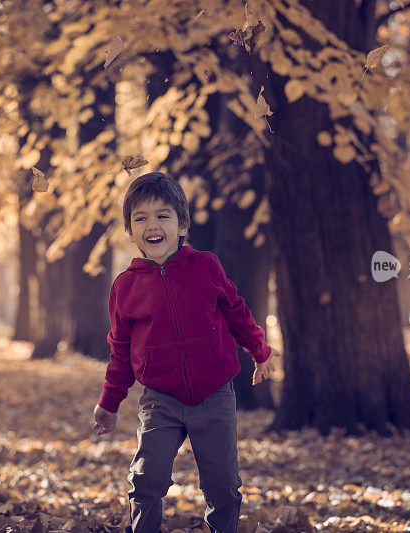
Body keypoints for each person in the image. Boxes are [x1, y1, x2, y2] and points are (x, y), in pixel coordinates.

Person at [92, 171, 281, 533]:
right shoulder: (125, 287)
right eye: (141, 218)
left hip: (215, 396)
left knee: (222, 484)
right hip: (159, 400)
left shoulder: (205, 266)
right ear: (130, 232)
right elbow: (120, 351)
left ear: (182, 226)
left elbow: (236, 312)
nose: (152, 224)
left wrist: (260, 350)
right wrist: (109, 402)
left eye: (163, 215)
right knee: (146, 479)